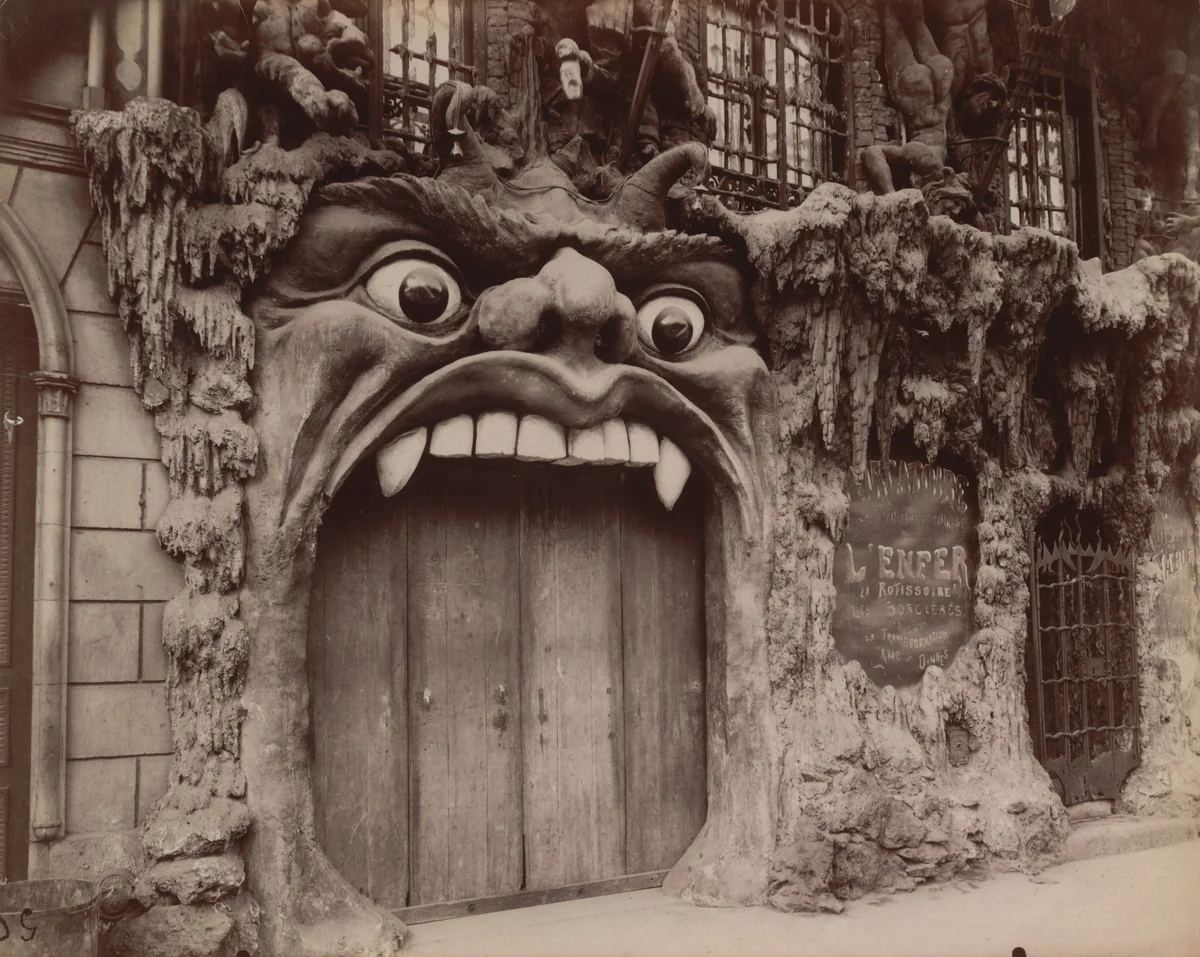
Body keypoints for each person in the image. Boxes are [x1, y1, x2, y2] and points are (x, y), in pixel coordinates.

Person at [862, 0, 955, 195]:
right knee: (892, 26)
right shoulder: (925, 161)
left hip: (942, 94)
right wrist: (891, 195)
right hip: (918, 98)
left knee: (915, 22)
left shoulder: (939, 165)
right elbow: (871, 153)